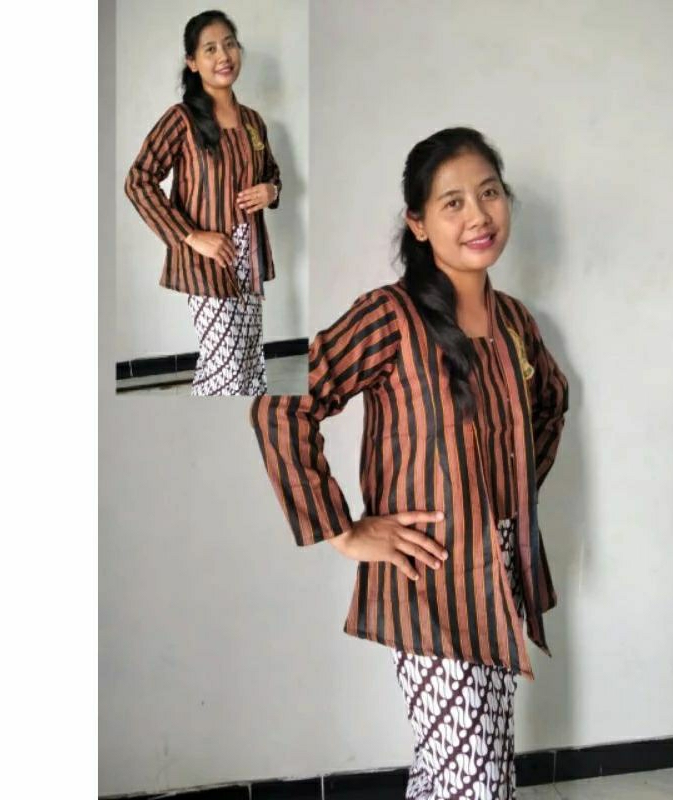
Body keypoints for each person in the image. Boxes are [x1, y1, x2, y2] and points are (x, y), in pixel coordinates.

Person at [252, 128, 569, 798]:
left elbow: (550, 403)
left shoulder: (515, 322)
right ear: (418, 223)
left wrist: (506, 501)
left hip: (501, 575)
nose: (478, 214)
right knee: (472, 778)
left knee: (465, 765)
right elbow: (282, 405)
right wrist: (343, 530)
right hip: (429, 581)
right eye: (453, 202)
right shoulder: (390, 317)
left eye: (489, 193)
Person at [125, 9, 281, 396]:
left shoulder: (253, 122)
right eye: (210, 49)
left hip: (249, 258)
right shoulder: (181, 120)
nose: (223, 55)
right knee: (225, 368)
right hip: (207, 263)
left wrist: (271, 191)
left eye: (230, 44)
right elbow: (138, 180)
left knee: (248, 364)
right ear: (192, 62)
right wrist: (192, 236)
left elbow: (272, 173)